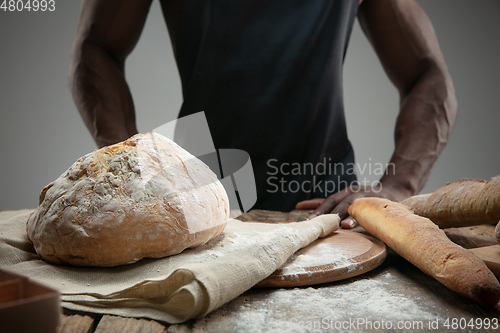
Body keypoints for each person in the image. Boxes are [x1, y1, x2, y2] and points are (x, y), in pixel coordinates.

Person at [69, 0, 457, 228]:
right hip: (201, 207)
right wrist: (129, 166)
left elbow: (426, 72)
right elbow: (96, 48)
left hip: (330, 215)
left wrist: (398, 187)